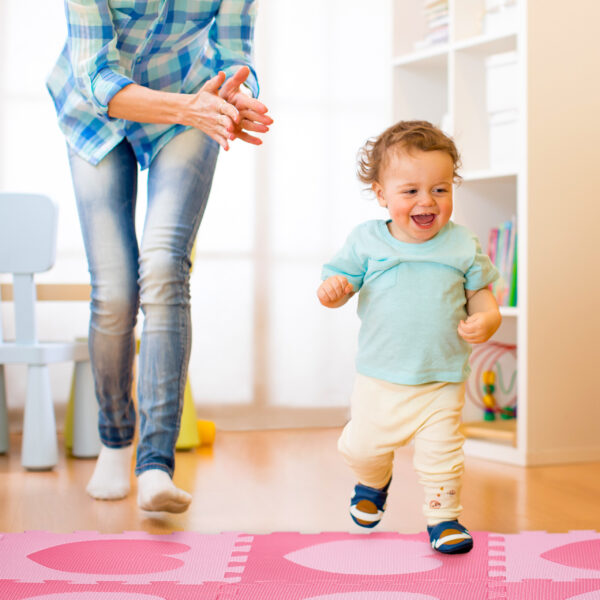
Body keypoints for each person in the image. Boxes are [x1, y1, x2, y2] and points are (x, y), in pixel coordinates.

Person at [47, 0, 272, 513]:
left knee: (166, 267)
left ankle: (154, 466)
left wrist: (236, 99)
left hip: (191, 101)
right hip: (98, 111)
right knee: (115, 291)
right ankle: (114, 439)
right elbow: (96, 76)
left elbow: (234, 55)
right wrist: (189, 107)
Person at [316, 120, 501, 553]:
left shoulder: (461, 244)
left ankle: (443, 519)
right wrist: (333, 291)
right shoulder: (366, 241)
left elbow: (481, 296)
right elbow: (337, 286)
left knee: (442, 455)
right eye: (411, 191)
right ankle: (373, 481)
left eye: (440, 189)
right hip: (380, 377)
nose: (427, 201)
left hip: (441, 376)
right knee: (362, 448)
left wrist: (488, 319)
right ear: (381, 194)